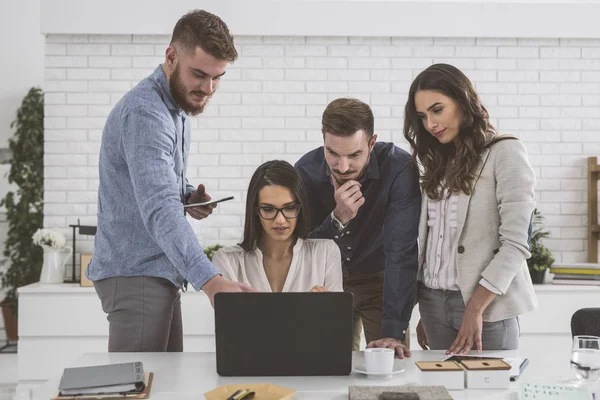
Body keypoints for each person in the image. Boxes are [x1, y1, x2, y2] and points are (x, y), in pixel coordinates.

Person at [86, 10, 254, 353]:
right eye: (199, 74)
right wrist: (210, 280)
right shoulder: (146, 113)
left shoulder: (174, 109)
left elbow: (155, 182)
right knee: (133, 387)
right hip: (136, 273)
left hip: (154, 271)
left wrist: (189, 195)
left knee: (163, 385)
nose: (208, 88)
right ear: (171, 56)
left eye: (218, 77)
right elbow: (160, 208)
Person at [404, 63, 537, 354]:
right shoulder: (437, 161)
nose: (430, 124)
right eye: (423, 116)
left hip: (487, 308)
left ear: (463, 101)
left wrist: (474, 309)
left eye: (437, 110)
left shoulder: (506, 151)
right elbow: (434, 241)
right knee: (441, 395)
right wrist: (430, 308)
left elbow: (516, 243)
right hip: (433, 305)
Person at [295, 98, 421, 358]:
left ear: (371, 143)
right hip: (329, 285)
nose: (343, 167)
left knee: (391, 364)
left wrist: (393, 330)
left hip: (383, 283)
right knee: (328, 367)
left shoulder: (398, 168)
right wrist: (337, 219)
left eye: (354, 155)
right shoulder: (304, 172)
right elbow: (301, 249)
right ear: (323, 139)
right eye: (333, 153)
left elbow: (401, 252)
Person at [213, 160, 343, 293]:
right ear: (255, 210)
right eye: (268, 209)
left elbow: (337, 313)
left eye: (290, 208)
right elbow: (229, 314)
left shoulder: (326, 253)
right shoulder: (227, 260)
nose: (280, 220)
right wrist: (305, 308)